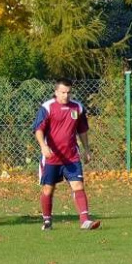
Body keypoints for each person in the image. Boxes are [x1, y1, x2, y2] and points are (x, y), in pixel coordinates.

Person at [32, 77, 100, 231]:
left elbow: (82, 130)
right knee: (48, 189)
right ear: (56, 92)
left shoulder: (78, 108)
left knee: (78, 186)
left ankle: (85, 220)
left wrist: (87, 149)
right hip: (52, 157)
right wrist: (43, 146)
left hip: (71, 156)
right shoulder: (47, 107)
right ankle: (47, 221)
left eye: (68, 92)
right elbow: (38, 130)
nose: (66, 96)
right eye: (62, 92)